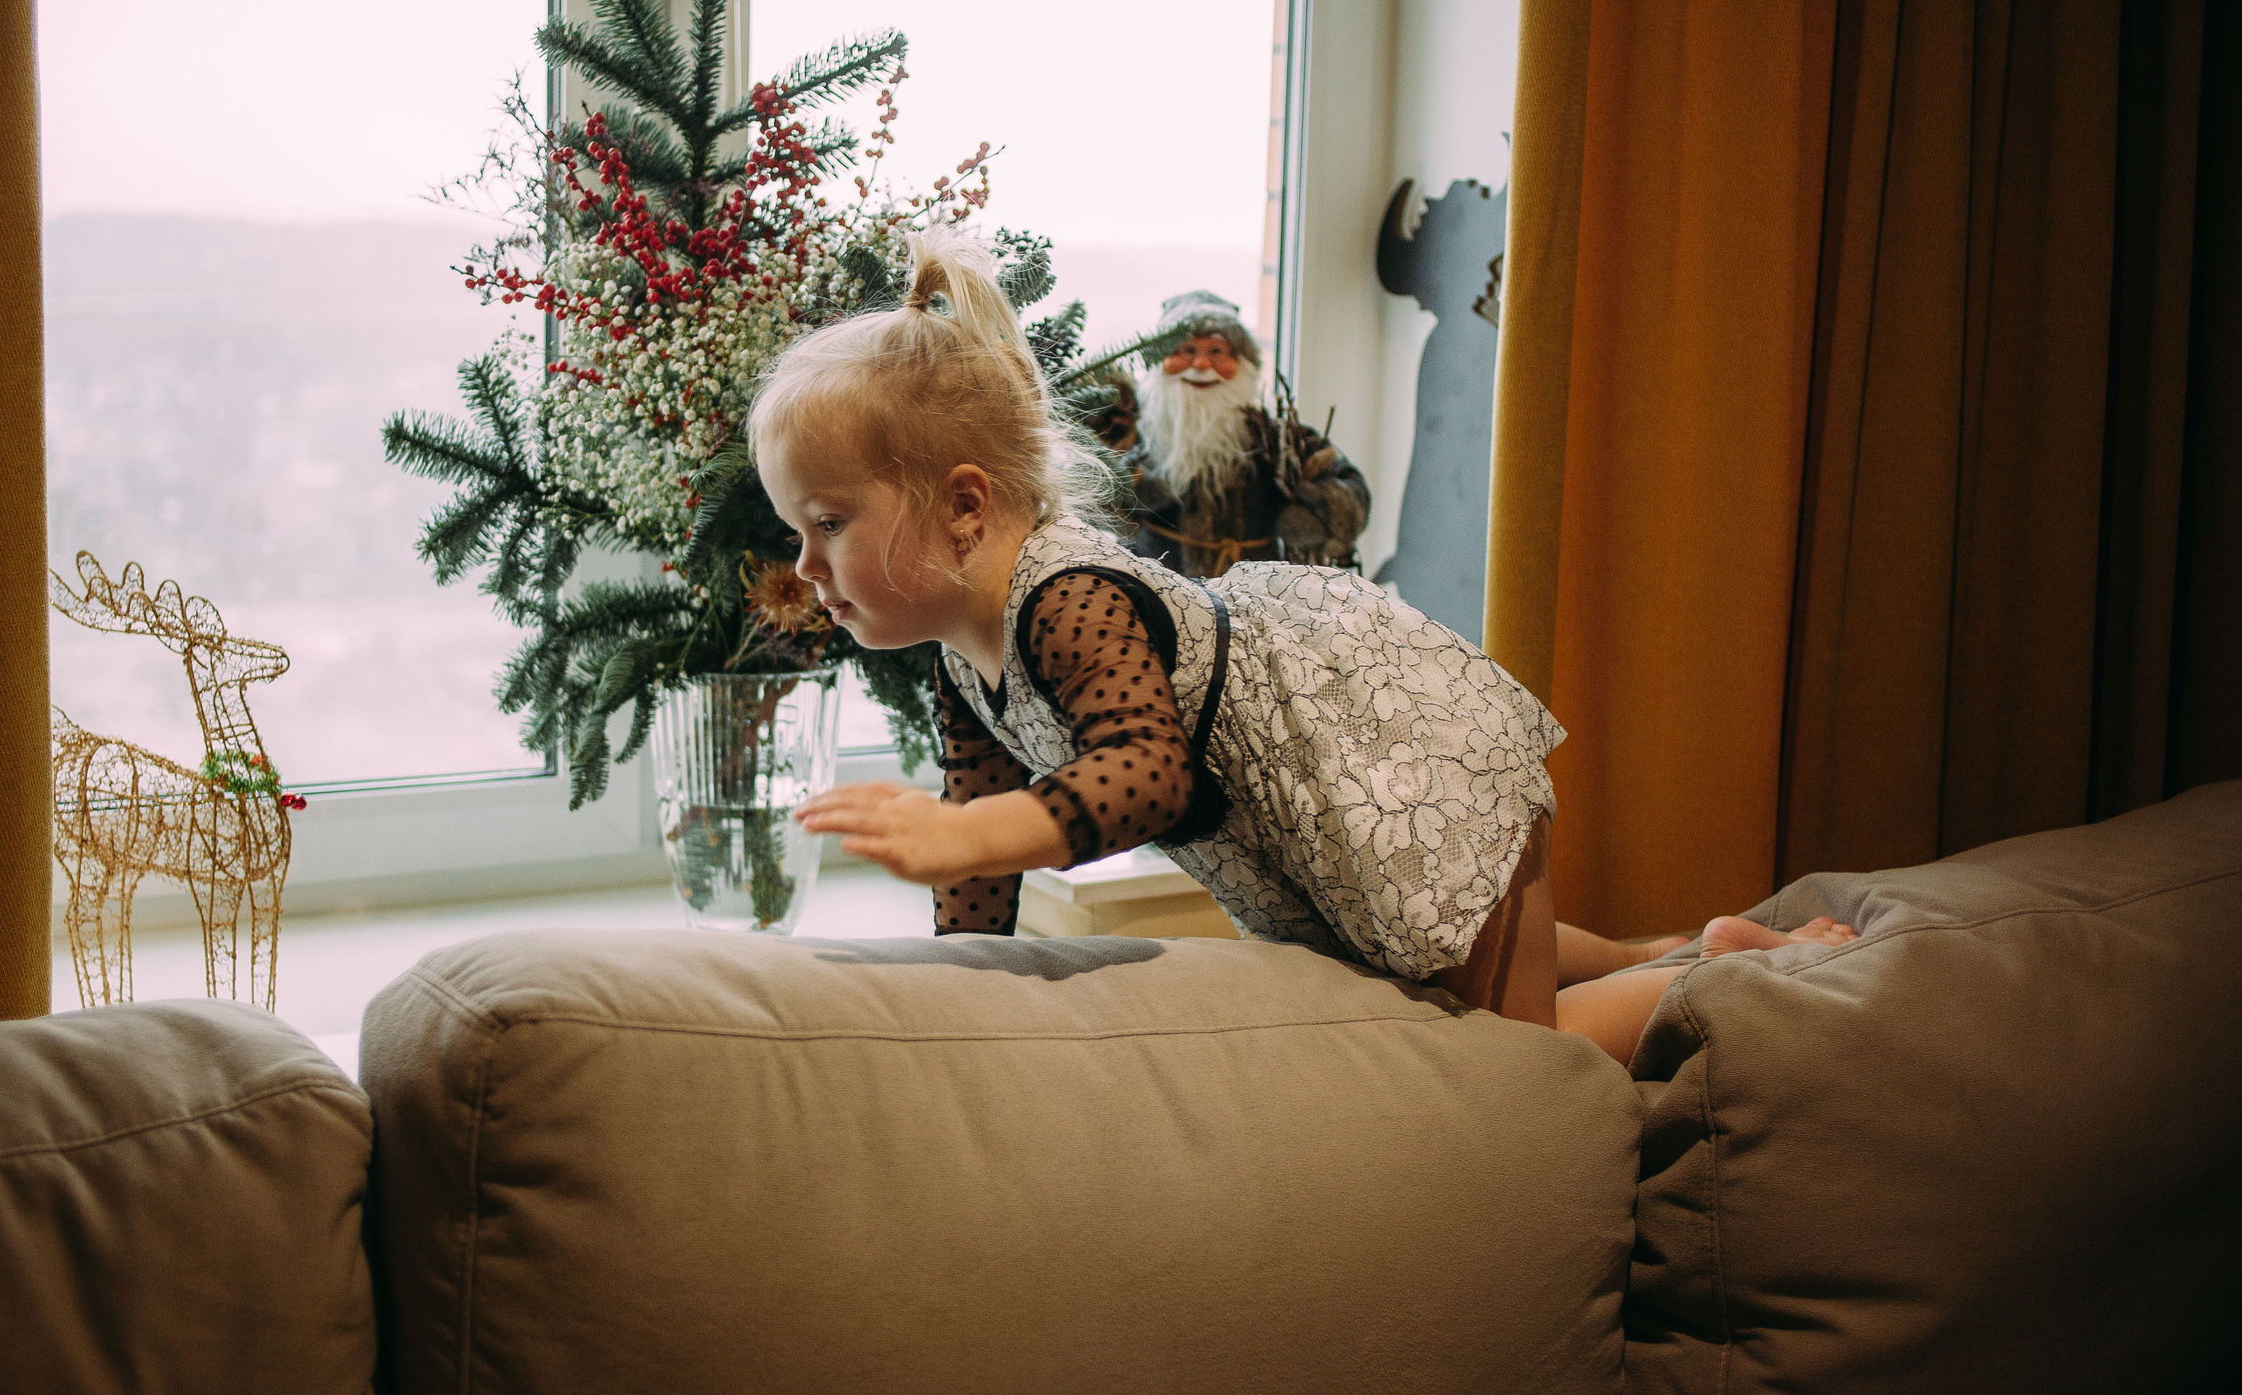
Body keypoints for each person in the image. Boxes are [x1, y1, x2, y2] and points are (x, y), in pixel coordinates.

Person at [751, 234, 1847, 1063]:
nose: (802, 567)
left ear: (962, 506)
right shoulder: (961, 655)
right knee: (1461, 970)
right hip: (1313, 824)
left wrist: (965, 833)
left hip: (1393, 759)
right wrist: (953, 999)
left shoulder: (1070, 600)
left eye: (829, 524)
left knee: (1516, 1056)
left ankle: (1746, 979)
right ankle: (1678, 949)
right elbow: (983, 890)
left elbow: (1140, 773)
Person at [1109, 292, 1371, 578]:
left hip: (1255, 595)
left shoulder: (1274, 439)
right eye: (1187, 351)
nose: (1201, 366)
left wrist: (1313, 512)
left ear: (1243, 363)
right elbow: (1097, 498)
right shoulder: (1134, 431)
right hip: (1158, 592)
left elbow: (1353, 493)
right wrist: (1139, 486)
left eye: (1216, 352)